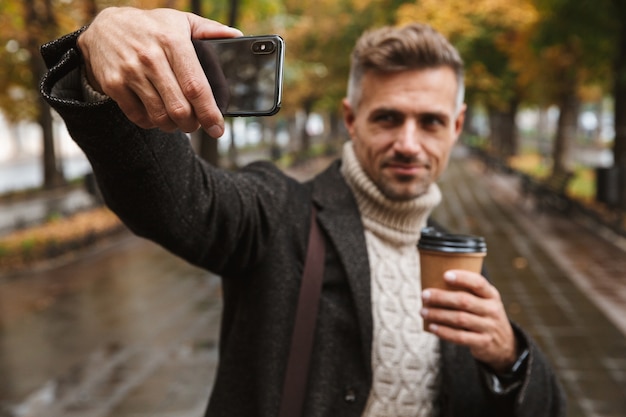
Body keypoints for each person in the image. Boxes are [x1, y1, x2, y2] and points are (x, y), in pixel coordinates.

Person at [40, 7, 566, 417]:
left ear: (455, 128)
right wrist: (100, 49)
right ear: (350, 118)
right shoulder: (278, 214)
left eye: (429, 122)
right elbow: (170, 201)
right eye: (388, 118)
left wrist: (510, 357)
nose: (409, 143)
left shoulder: (457, 258)